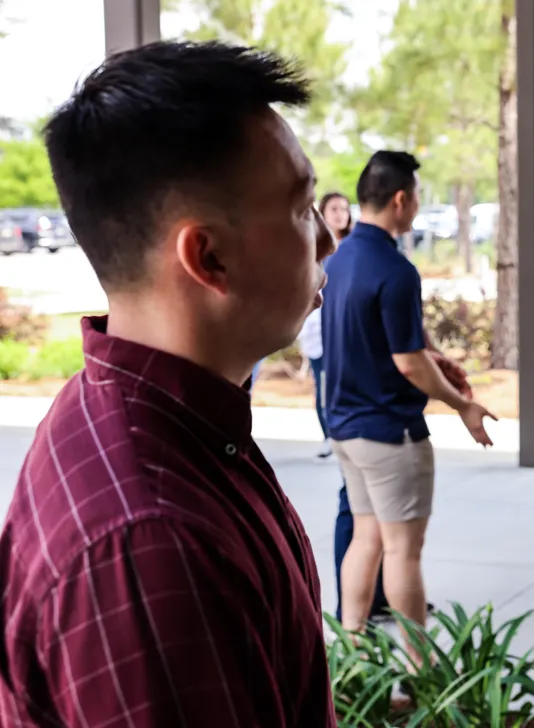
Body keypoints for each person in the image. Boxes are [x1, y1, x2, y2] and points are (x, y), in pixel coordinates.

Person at [0, 41, 337, 725]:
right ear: (208, 256)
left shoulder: (145, 416)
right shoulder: (150, 543)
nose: (328, 242)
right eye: (303, 211)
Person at [323, 149, 495, 636]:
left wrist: (430, 354)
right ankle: (421, 680)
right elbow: (407, 362)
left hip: (345, 428)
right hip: (390, 433)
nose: (417, 205)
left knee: (366, 539)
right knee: (402, 551)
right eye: (417, 197)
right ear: (401, 199)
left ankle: (354, 667)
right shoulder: (396, 270)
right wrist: (463, 404)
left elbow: (389, 341)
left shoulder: (339, 259)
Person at [298, 191, 354, 459]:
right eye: (334, 209)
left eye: (344, 208)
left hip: (346, 328)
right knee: (322, 385)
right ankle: (328, 435)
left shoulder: (354, 248)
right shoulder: (313, 248)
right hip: (319, 327)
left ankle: (344, 432)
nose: (340, 213)